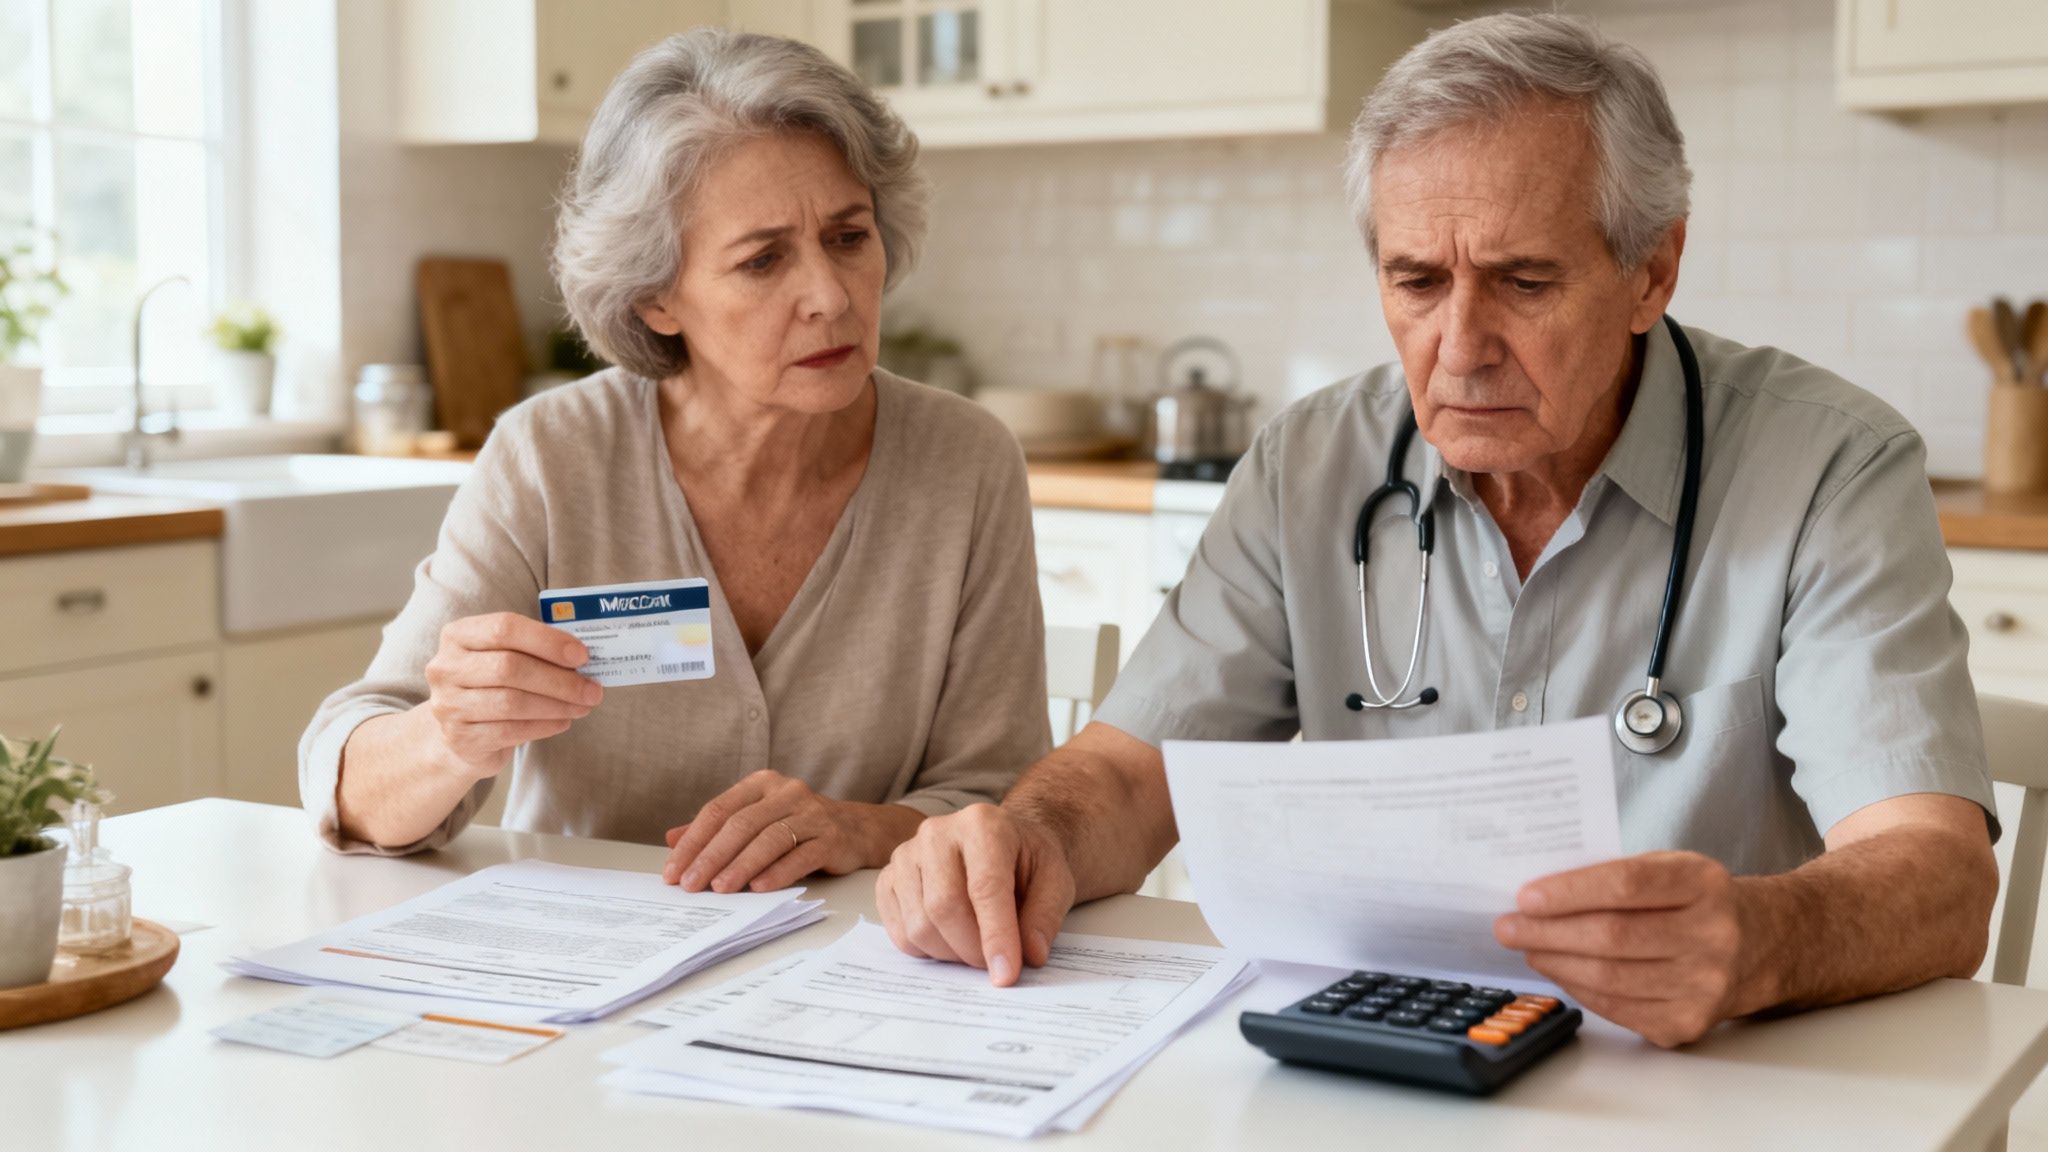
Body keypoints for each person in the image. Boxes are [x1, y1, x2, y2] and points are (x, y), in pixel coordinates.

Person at [875, 11, 1999, 1049]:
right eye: (1415, 280)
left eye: (1521, 281)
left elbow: (1937, 879)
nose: (1459, 346)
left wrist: (1760, 940)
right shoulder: (1307, 467)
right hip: (1377, 1060)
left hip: (1700, 1080)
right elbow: (1124, 780)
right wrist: (1021, 839)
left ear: (1649, 270)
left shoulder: (1828, 469)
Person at [299, 29, 1049, 894]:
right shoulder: (551, 457)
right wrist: (447, 737)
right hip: (587, 970)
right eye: (763, 259)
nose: (831, 296)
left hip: (862, 965)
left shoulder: (967, 462)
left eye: (848, 237)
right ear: (657, 297)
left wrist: (858, 828)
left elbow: (1000, 795)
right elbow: (349, 780)